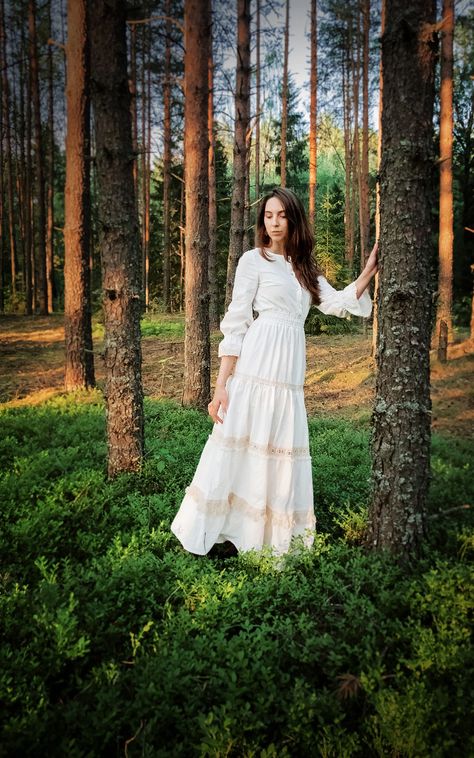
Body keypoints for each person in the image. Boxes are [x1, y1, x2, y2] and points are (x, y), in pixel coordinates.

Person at [171, 187, 378, 557]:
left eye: (281, 215)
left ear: (293, 218)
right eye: (268, 215)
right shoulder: (253, 260)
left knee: (276, 447)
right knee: (243, 441)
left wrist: (369, 270)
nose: (274, 222)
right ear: (262, 221)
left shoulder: (304, 267)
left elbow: (335, 303)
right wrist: (221, 387)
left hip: (288, 371)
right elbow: (236, 321)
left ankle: (263, 536)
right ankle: (222, 530)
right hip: (256, 362)